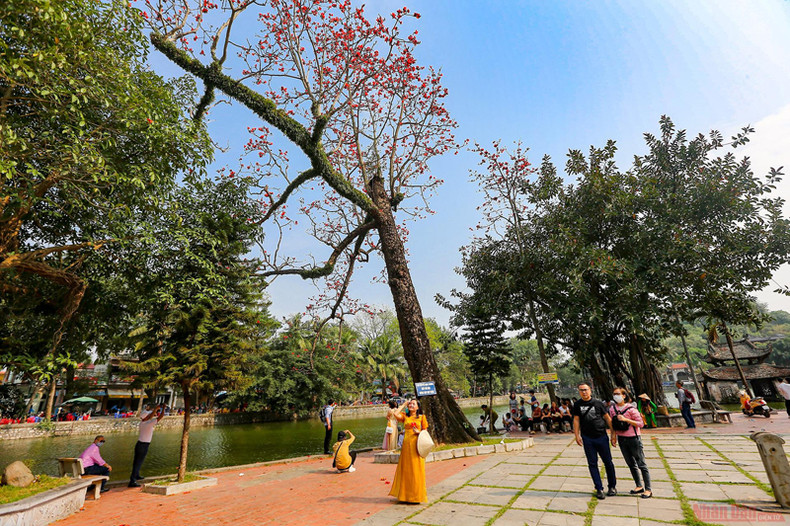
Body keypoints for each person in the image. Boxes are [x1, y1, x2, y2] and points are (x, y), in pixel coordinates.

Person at [573, 382, 617, 500]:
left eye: (586, 389)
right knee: (592, 464)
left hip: (601, 436)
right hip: (588, 438)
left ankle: (612, 486)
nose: (584, 392)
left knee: (608, 462)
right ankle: (599, 488)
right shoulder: (577, 405)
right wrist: (577, 435)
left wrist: (613, 434)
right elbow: (576, 420)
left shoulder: (598, 403)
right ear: (579, 392)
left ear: (590, 390)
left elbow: (608, 418)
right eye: (581, 390)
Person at [610, 387, 652, 499]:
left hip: (634, 439)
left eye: (618, 394)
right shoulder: (612, 409)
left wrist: (626, 420)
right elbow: (613, 424)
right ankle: (639, 485)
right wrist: (613, 436)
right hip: (622, 439)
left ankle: (648, 489)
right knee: (630, 464)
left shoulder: (631, 409)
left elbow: (641, 424)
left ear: (624, 395)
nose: (616, 396)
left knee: (641, 464)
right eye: (614, 394)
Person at [389, 399, 428, 503]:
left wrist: (418, 431)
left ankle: (416, 496)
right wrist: (403, 405)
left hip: (417, 445)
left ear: (417, 407)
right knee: (406, 469)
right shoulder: (405, 416)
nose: (411, 405)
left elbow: (425, 431)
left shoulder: (422, 417)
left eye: (413, 404)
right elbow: (395, 414)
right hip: (406, 446)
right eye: (410, 404)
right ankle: (405, 496)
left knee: (416, 469)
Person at [129, 403, 166, 487]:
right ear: (146, 417)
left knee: (137, 462)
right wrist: (163, 409)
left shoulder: (143, 423)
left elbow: (150, 416)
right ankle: (132, 481)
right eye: (148, 415)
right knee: (138, 463)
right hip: (143, 445)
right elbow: (160, 417)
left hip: (140, 444)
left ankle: (136, 475)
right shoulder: (148, 424)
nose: (150, 416)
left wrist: (156, 409)